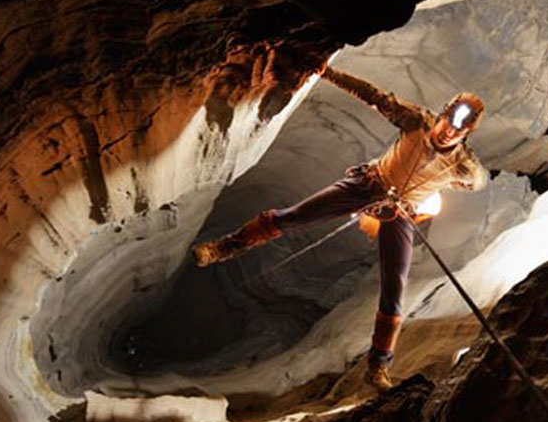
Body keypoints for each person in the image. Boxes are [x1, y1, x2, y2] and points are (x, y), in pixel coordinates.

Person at [191, 66, 488, 391]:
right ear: (443, 115)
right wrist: (328, 73)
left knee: (394, 288)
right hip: (368, 184)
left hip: (399, 212)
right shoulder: (416, 120)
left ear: (465, 135)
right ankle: (224, 248)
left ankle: (378, 366)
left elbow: (478, 181)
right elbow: (374, 96)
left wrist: (435, 192)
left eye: (457, 131)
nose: (448, 133)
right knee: (295, 216)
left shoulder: (462, 163)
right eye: (448, 123)